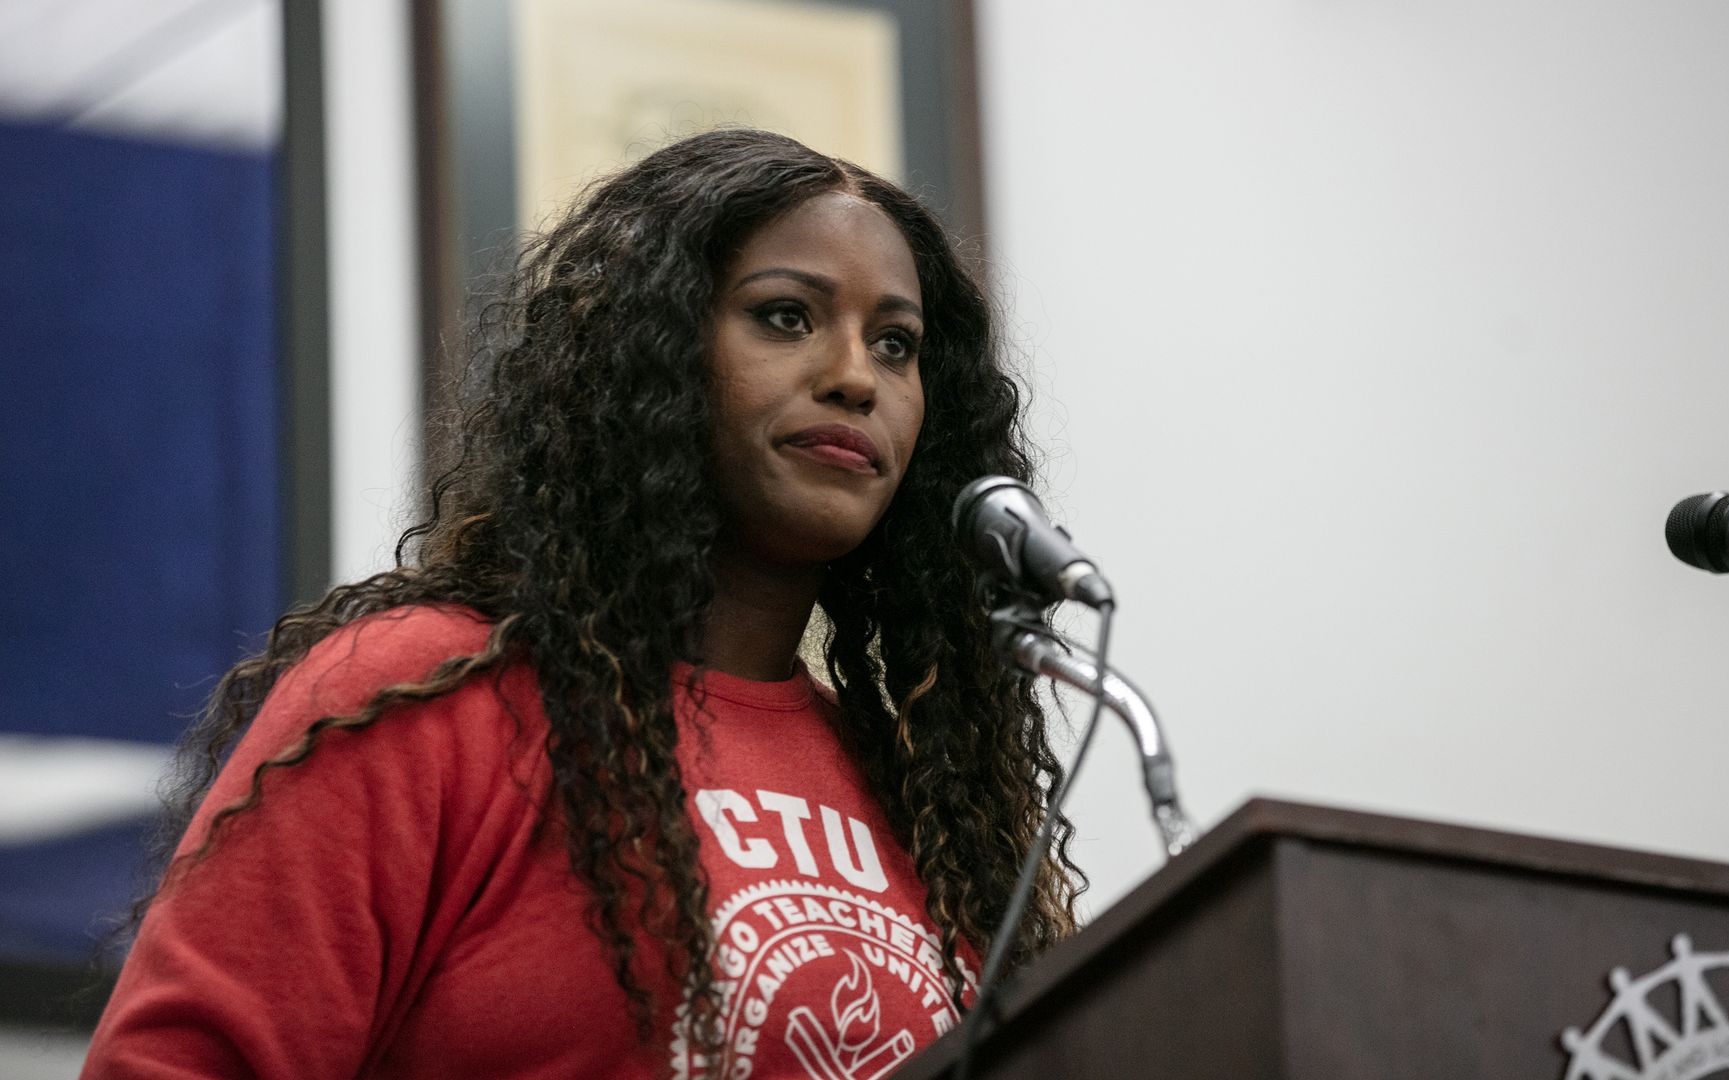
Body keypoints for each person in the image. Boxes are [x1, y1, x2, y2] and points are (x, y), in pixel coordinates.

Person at [82, 128, 1082, 1079]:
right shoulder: (426, 693)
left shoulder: (930, 803)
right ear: (647, 355)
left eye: (897, 345)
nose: (856, 377)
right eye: (786, 316)